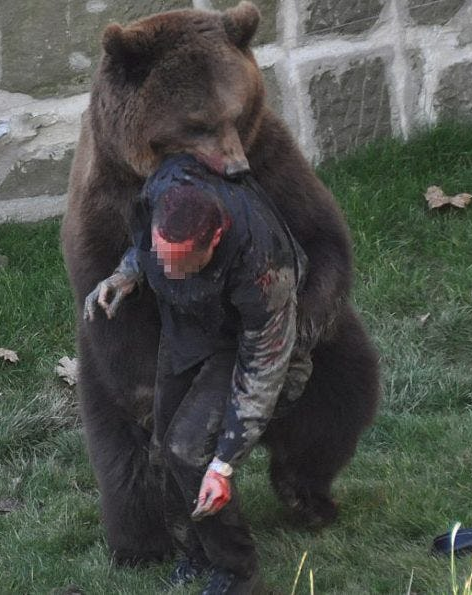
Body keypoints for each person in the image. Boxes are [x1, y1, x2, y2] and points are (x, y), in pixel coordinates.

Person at [84, 154, 311, 595]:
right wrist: (127, 274)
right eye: (162, 258)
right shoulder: (164, 188)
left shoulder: (265, 267)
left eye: (180, 262)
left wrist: (224, 464)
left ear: (217, 238)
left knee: (192, 452)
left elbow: (263, 369)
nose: (165, 271)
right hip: (187, 326)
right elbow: (146, 250)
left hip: (241, 343)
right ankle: (196, 552)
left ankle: (237, 569)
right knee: (163, 447)